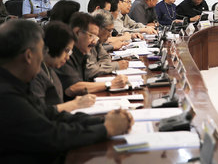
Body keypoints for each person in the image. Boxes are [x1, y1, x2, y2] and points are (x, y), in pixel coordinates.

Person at [0, 19, 133, 163]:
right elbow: (52, 136)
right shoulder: (6, 96)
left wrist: (102, 120)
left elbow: (51, 114)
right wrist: (107, 128)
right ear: (28, 56)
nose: (44, 55)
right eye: (42, 50)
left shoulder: (16, 85)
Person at [56, 12, 128, 99]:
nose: (94, 42)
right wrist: (110, 84)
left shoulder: (82, 52)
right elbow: (73, 88)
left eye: (95, 37)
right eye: (91, 36)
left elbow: (104, 58)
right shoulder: (66, 53)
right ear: (77, 32)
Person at [29, 21, 96, 112]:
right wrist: (76, 104)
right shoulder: (35, 74)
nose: (67, 57)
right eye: (66, 51)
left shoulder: (50, 69)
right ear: (54, 46)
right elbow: (41, 114)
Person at [86, 10, 128, 80]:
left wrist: (101, 67)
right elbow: (90, 71)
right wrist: (115, 66)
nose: (110, 35)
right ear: (98, 28)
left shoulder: (97, 41)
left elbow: (105, 57)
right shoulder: (88, 42)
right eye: (109, 30)